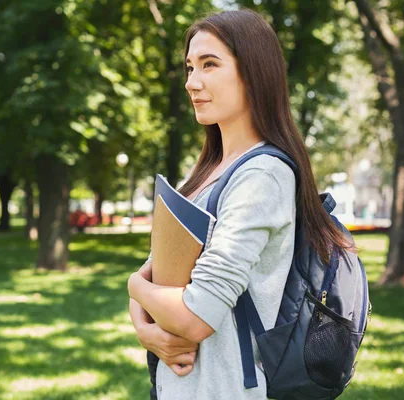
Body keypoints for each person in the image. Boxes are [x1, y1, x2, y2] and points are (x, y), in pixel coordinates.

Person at [127, 9, 352, 400]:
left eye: (209, 65)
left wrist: (131, 286)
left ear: (253, 73)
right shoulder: (204, 173)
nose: (192, 82)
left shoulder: (262, 176)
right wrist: (149, 332)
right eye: (189, 68)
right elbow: (158, 279)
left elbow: (196, 317)